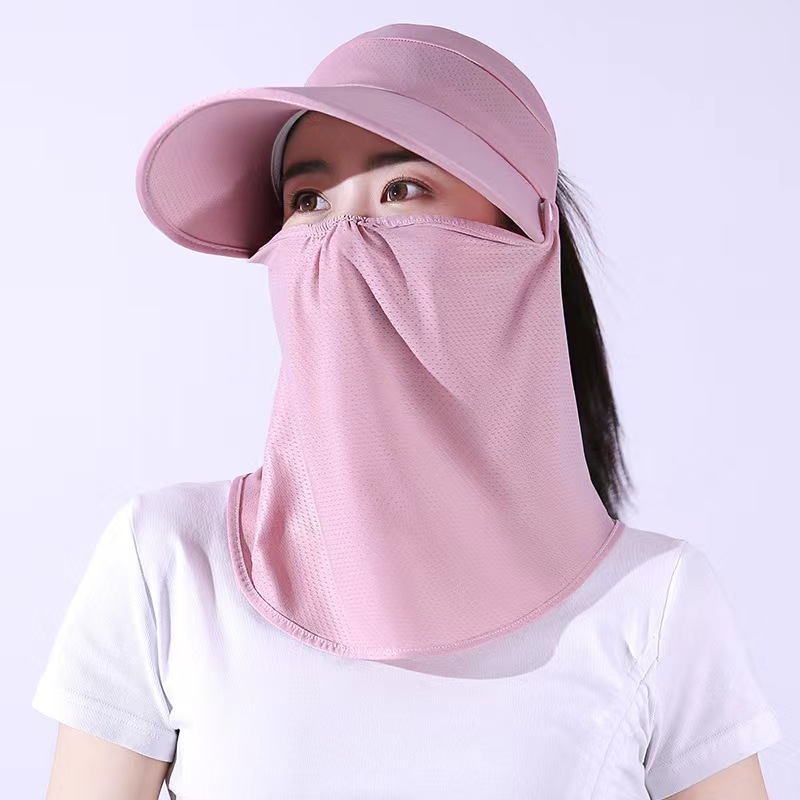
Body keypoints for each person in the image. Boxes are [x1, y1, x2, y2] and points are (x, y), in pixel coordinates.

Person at [32, 23, 782, 800]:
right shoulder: (169, 562)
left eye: (402, 189)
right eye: (307, 199)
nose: (342, 234)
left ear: (525, 236)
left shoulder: (656, 604)